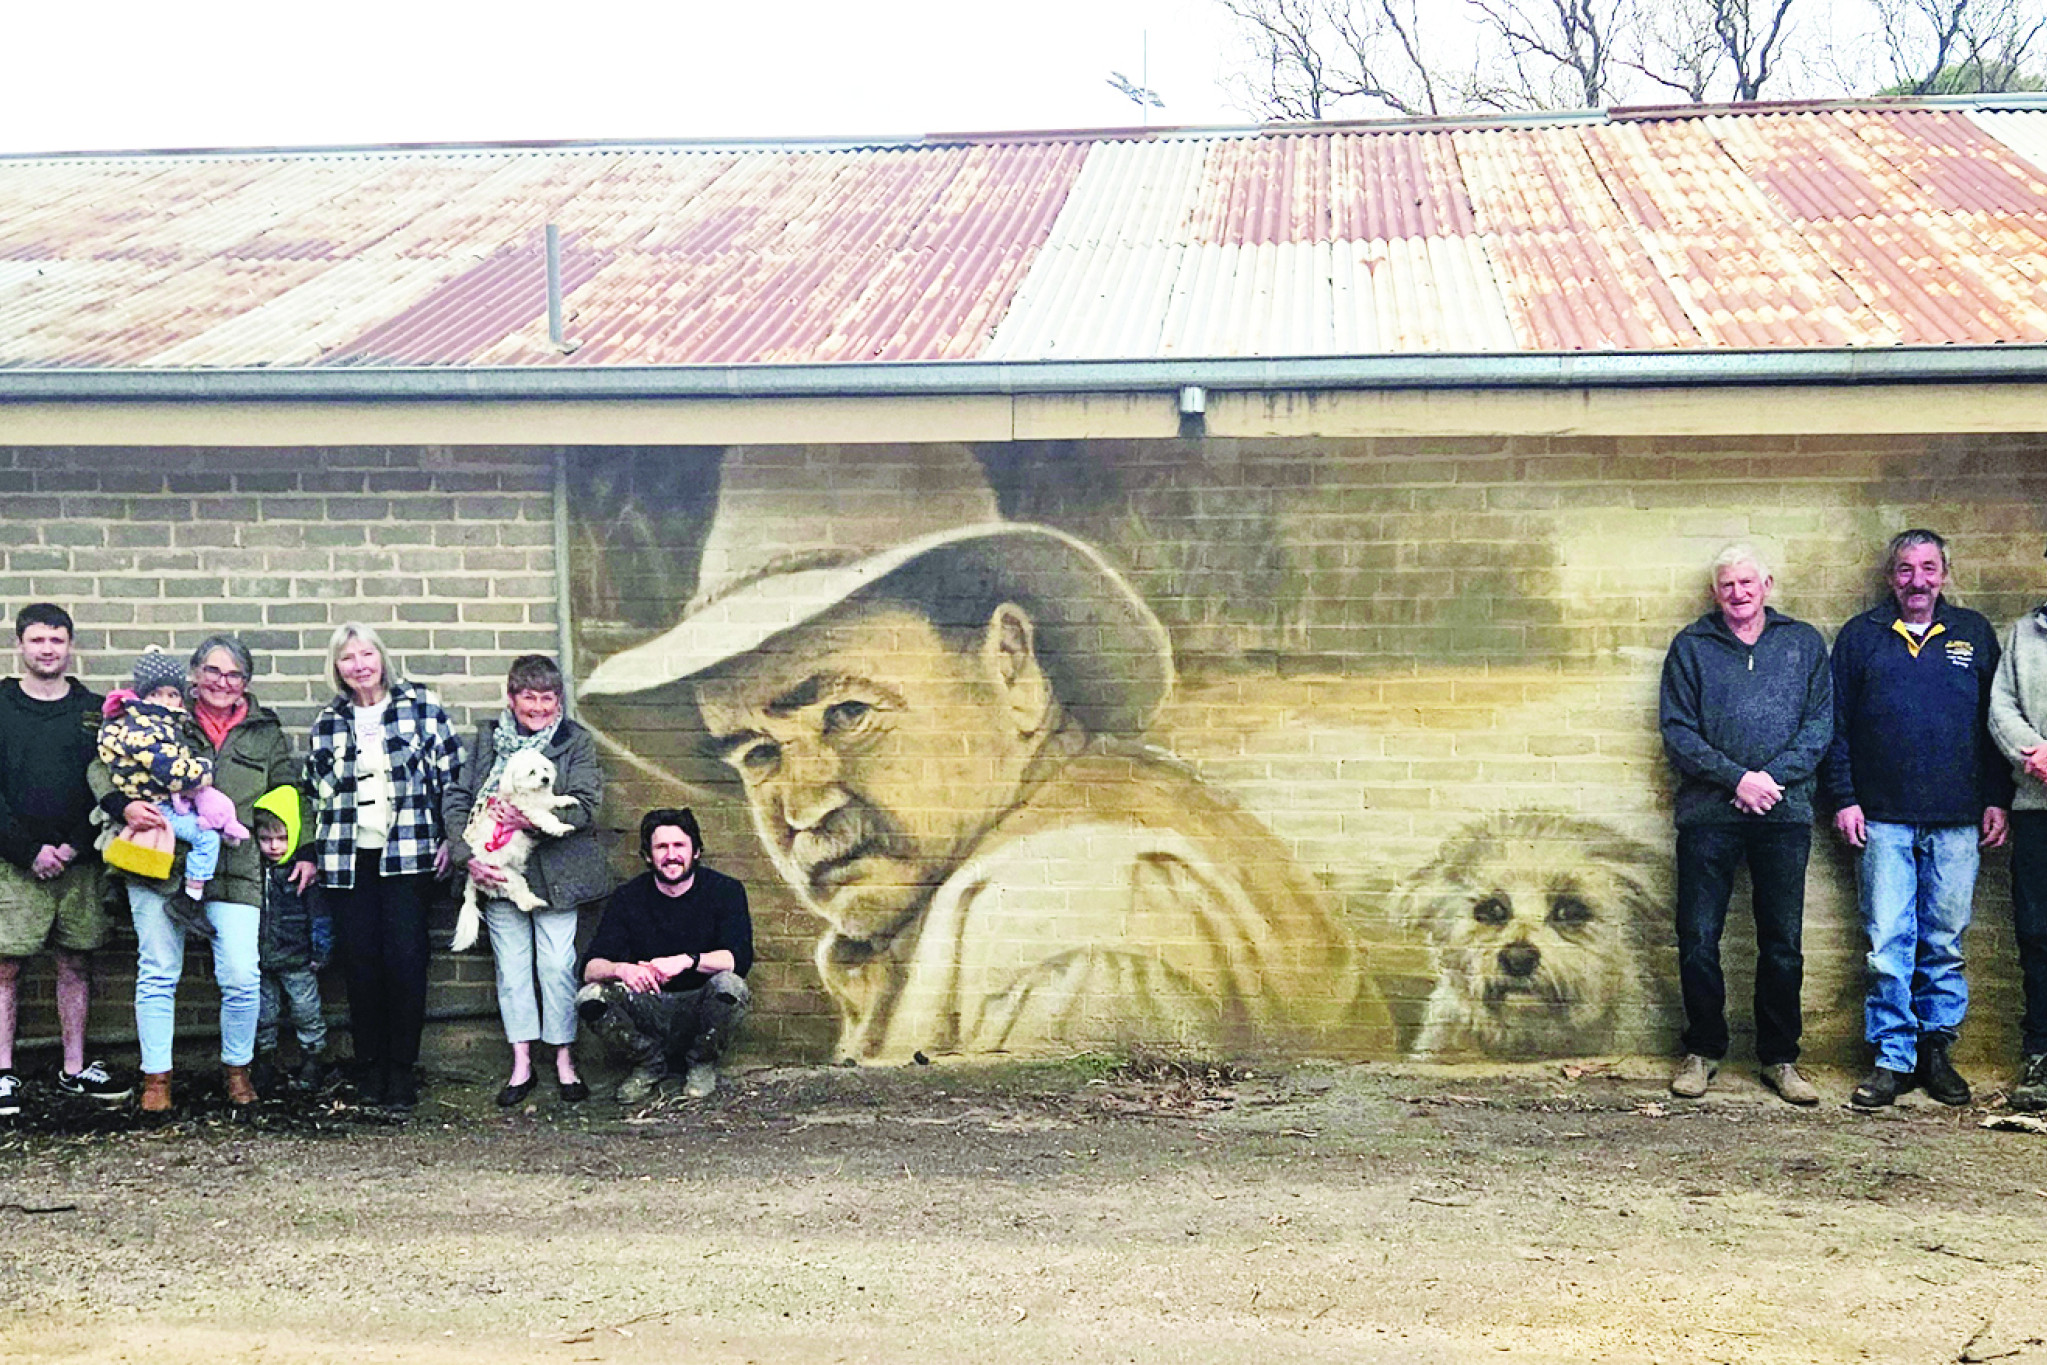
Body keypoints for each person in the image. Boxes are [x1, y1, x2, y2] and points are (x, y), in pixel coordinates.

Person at [578, 442, 1384, 1063]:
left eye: (846, 712)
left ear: (1010, 666)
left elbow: (1052, 1228)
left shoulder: (1065, 909)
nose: (800, 804)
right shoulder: (1066, 847)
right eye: (756, 753)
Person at [1825, 530, 2011, 1109]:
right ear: (1890, 578)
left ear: (1945, 575)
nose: (1917, 581)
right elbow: (1836, 728)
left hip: (1958, 818)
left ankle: (1935, 1051)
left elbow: (1995, 724)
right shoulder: (1860, 638)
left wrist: (1997, 797)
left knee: (1945, 942)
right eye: (1905, 570)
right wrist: (1843, 798)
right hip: (1881, 818)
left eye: (1928, 568)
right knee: (1887, 942)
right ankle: (1892, 1059)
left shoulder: (1974, 634)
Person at [92, 634, 311, 1114]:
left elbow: (288, 790)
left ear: (246, 683)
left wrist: (301, 846)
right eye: (212, 671)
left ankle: (237, 1071)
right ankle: (157, 1080)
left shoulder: (264, 731)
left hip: (235, 866)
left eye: (233, 674)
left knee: (241, 975)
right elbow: (100, 765)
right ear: (193, 674)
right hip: (160, 861)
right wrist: (121, 805)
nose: (221, 682)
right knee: (158, 972)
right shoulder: (159, 711)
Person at [1659, 545, 1833, 1105]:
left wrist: (1769, 782)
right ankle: (1703, 1051)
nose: (1739, 593)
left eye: (1748, 583)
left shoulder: (1803, 643)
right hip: (1709, 817)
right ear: (1716, 592)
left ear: (1768, 584)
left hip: (1784, 817)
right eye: (1728, 585)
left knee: (1781, 943)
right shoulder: (1691, 647)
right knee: (1698, 938)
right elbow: (1679, 732)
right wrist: (1737, 780)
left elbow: (1819, 727)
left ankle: (1780, 1059)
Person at [304, 623, 461, 1112]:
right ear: (336, 668)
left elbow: (452, 783)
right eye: (347, 658)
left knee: (407, 963)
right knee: (361, 965)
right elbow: (313, 793)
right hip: (349, 859)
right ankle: (368, 1066)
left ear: (382, 657)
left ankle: (402, 1069)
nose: (359, 665)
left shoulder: (422, 706)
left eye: (366, 654)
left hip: (410, 855)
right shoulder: (328, 722)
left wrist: (449, 840)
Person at [445, 654, 609, 1107]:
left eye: (548, 698)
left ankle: (563, 1060)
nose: (538, 707)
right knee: (512, 968)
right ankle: (521, 1064)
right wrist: (466, 857)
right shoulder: (486, 742)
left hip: (558, 874)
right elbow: (458, 798)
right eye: (529, 697)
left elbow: (586, 805)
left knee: (556, 966)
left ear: (559, 701)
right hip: (497, 869)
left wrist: (530, 819)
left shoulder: (576, 742)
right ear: (512, 698)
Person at [0, 603, 125, 1115]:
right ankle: (3, 1073)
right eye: (37, 640)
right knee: (6, 966)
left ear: (70, 646)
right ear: (20, 645)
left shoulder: (93, 711)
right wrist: (27, 851)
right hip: (13, 859)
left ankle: (74, 1069)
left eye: (56, 640)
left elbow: (108, 787)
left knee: (76, 961)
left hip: (82, 860)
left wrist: (73, 846)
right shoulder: (2, 704)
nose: (47, 649)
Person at [576, 808, 752, 1102]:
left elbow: (739, 959)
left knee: (730, 987)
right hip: (647, 1004)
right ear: (648, 855)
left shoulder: (725, 891)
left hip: (699, 1002)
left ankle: (701, 1063)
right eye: (662, 847)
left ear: (696, 851)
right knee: (590, 998)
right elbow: (589, 968)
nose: (671, 855)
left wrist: (687, 960)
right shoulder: (627, 897)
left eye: (679, 846)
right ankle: (648, 1064)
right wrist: (622, 970)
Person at [96, 648, 248, 907]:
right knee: (206, 838)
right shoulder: (145, 725)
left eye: (172, 694)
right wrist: (203, 771)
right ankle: (190, 899)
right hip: (156, 813)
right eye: (213, 671)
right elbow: (165, 772)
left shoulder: (171, 723)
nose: (222, 682)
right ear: (197, 678)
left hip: (233, 878)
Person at [1989, 551, 2047, 1111]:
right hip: (2036, 807)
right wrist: (2036, 753)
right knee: (2037, 932)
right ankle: (2041, 1054)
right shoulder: (2023, 634)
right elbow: (2000, 706)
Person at [251, 786, 331, 1093]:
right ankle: (264, 1061)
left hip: (298, 958)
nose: (273, 847)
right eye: (266, 839)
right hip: (261, 958)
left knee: (305, 1009)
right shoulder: (256, 873)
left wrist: (321, 951)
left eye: (282, 838)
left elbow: (319, 916)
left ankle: (313, 1058)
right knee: (263, 1013)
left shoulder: (301, 874)